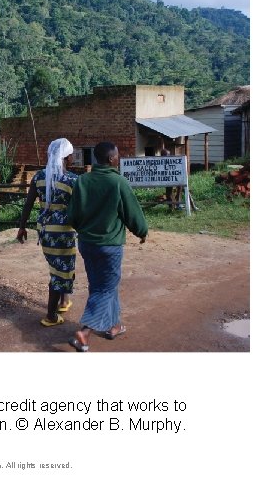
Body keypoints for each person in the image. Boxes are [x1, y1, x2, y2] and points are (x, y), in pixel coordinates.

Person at [66, 141, 148, 351]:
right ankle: (84, 333)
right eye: (117, 156)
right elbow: (132, 213)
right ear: (111, 159)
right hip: (109, 246)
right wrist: (142, 231)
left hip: (86, 244)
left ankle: (114, 325)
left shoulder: (82, 181)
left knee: (100, 285)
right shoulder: (117, 182)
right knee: (106, 288)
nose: (118, 158)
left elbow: (72, 216)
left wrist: (85, 230)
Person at [16, 138, 78, 327]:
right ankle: (50, 315)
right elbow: (79, 210)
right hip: (64, 232)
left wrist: (21, 227)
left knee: (59, 268)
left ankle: (64, 302)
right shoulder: (73, 180)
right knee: (60, 272)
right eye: (72, 154)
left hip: (45, 232)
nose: (74, 156)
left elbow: (28, 204)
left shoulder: (39, 177)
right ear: (66, 157)